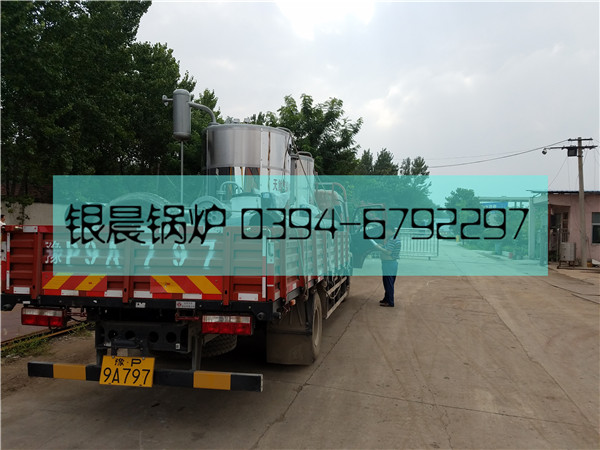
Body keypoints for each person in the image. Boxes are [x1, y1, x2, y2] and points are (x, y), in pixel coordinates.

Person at [375, 228, 401, 307]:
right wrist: (382, 245)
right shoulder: (392, 239)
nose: (385, 232)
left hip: (389, 263)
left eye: (386, 231)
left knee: (388, 283)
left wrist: (378, 248)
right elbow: (387, 247)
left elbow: (388, 252)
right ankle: (386, 298)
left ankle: (390, 301)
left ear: (391, 231)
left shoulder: (392, 240)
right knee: (388, 282)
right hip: (391, 264)